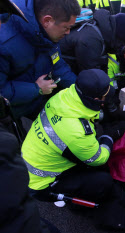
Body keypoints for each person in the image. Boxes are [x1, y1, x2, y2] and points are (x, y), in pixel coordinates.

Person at [21, 69, 125, 230]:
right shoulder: (77, 132)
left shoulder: (65, 96)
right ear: (96, 99)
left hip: (32, 159)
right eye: (105, 97)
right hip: (42, 183)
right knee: (104, 180)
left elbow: (91, 115)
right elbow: (99, 158)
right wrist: (112, 134)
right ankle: (78, 202)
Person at [0, 1, 59, 232]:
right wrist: (35, 89)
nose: (3, 26)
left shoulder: (38, 33)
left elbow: (57, 61)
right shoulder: (8, 41)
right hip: (17, 109)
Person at [0, 0, 80, 120]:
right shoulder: (5, 44)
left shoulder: (49, 36)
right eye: (66, 27)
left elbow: (58, 65)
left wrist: (80, 90)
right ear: (47, 21)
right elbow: (1, 92)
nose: (68, 32)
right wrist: (36, 89)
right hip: (15, 115)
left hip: (40, 104)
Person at [60, 10, 125, 75]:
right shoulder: (92, 40)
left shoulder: (101, 30)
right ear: (118, 35)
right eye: (122, 41)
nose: (121, 45)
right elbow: (91, 75)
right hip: (61, 73)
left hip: (69, 66)